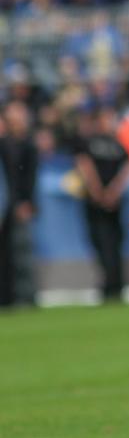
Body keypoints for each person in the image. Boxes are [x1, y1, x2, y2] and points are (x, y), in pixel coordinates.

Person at [75, 107, 129, 300]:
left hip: (113, 202)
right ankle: (109, 284)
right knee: (101, 243)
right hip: (96, 202)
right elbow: (84, 165)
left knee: (114, 243)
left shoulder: (119, 143)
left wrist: (113, 192)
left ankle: (115, 285)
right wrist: (98, 191)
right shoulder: (89, 142)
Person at [0, 102, 39, 308]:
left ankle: (25, 296)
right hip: (7, 204)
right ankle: (6, 297)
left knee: (21, 252)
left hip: (18, 204)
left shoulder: (28, 145)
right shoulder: (5, 144)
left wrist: (27, 202)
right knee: (7, 253)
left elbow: (29, 178)